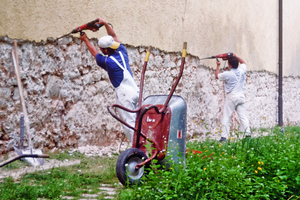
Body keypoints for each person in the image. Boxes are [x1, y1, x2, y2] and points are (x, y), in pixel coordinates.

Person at [79, 17, 139, 144]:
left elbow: (94, 52)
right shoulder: (122, 51)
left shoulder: (107, 62)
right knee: (140, 121)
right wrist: (105, 23)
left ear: (104, 50)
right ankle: (146, 148)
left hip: (125, 95)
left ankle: (138, 152)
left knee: (130, 125)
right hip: (136, 91)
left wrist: (85, 40)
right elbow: (113, 35)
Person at [215, 53, 251, 142]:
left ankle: (224, 137)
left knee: (227, 116)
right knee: (243, 117)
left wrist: (218, 66)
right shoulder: (242, 70)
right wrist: (235, 55)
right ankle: (248, 135)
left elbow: (217, 76)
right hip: (241, 96)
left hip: (231, 96)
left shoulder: (227, 74)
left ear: (229, 64)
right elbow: (244, 62)